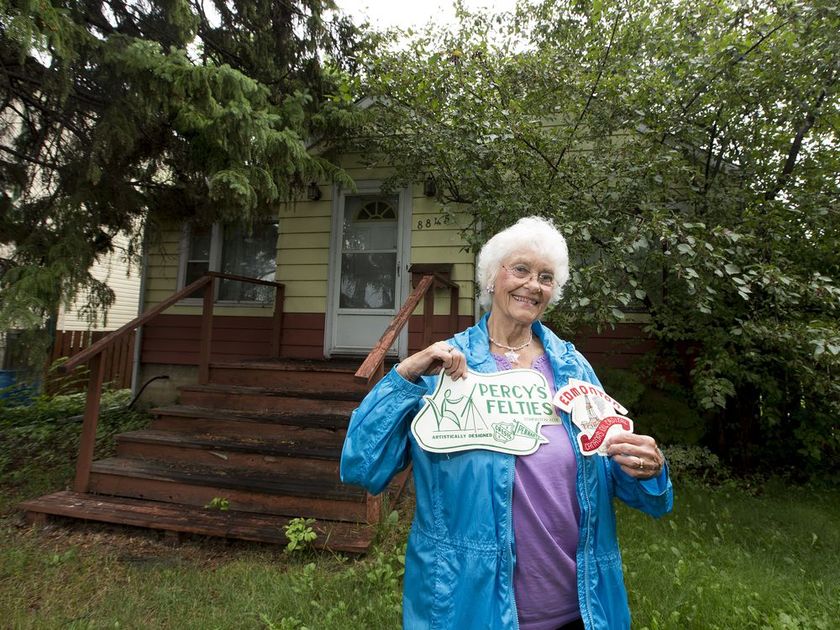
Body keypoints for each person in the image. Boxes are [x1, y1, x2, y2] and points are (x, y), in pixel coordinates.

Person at [340, 216, 673, 629]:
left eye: (546, 277)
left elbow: (622, 476)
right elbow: (361, 467)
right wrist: (404, 375)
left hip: (580, 607)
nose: (533, 285)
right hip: (467, 607)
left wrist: (646, 468)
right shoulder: (443, 366)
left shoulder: (571, 367)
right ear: (491, 278)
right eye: (520, 269)